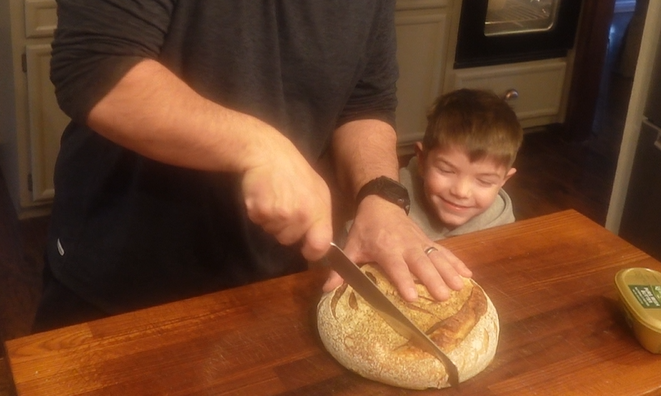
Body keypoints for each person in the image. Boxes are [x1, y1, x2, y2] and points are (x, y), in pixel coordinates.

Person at [32, 1, 472, 332]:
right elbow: (97, 66)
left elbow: (366, 101)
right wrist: (259, 146)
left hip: (270, 277)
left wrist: (380, 195)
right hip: (120, 277)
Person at [400, 89, 523, 241]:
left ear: (503, 181)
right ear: (422, 160)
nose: (461, 192)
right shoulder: (390, 200)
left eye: (484, 181)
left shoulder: (499, 217)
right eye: (446, 170)